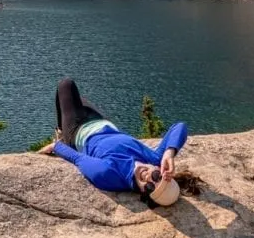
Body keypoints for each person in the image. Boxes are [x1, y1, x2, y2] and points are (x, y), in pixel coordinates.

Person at [38, 78, 187, 207]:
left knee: (66, 86)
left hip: (78, 130)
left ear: (143, 192)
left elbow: (78, 159)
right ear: (159, 170)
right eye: (156, 177)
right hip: (102, 122)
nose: (148, 178)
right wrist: (169, 153)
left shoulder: (109, 174)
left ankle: (61, 131)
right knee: (79, 99)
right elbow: (180, 127)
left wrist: (56, 146)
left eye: (149, 187)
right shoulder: (154, 159)